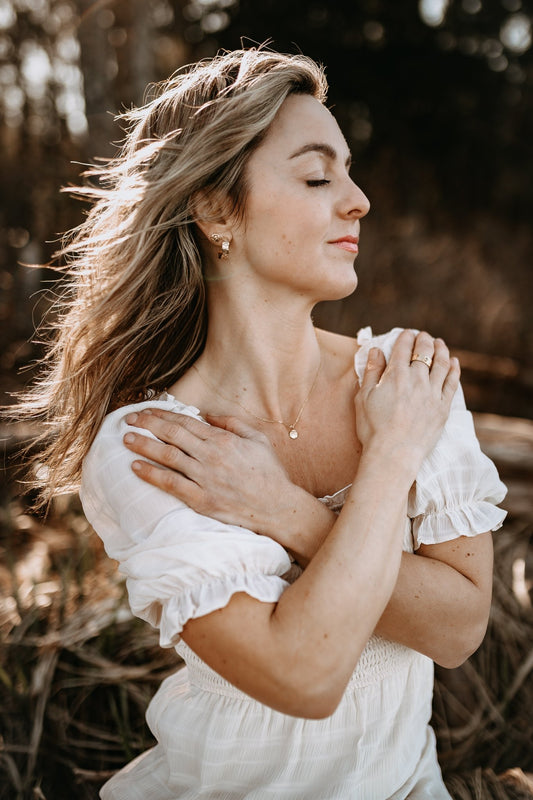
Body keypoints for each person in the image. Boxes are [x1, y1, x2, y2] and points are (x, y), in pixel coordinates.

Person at [21, 48, 507, 799]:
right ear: (217, 209)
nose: (359, 201)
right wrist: (389, 461)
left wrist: (286, 512)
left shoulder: (405, 382)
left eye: (349, 173)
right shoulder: (156, 444)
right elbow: (303, 675)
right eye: (317, 177)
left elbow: (457, 630)